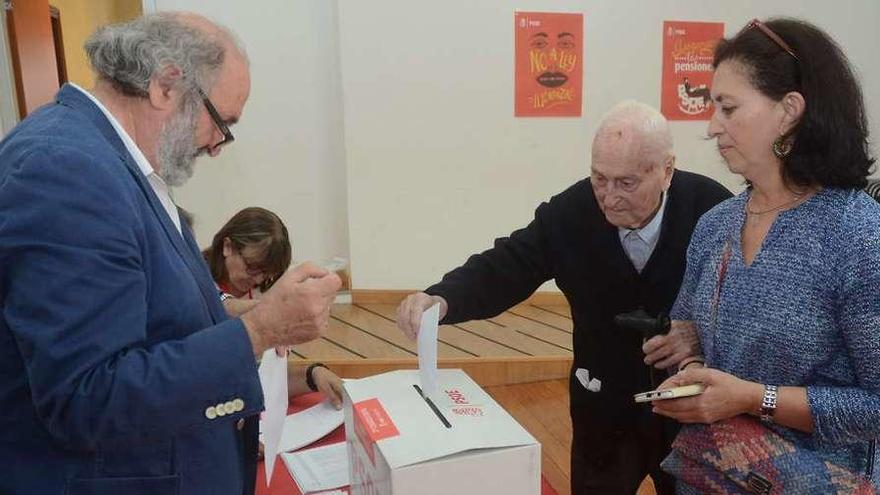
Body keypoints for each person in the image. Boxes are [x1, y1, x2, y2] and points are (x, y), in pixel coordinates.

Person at [0, 13, 341, 495]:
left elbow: (153, 321)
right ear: (164, 85)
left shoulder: (110, 161)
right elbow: (89, 398)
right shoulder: (66, 171)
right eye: (222, 123)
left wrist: (242, 314)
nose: (218, 146)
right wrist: (260, 331)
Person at [396, 100, 732, 494]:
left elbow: (755, 304)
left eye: (626, 183)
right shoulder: (570, 214)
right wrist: (443, 298)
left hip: (691, 412)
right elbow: (508, 264)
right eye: (599, 178)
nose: (609, 197)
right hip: (602, 407)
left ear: (666, 171)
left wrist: (699, 332)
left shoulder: (713, 211)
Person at [650, 18, 880, 491]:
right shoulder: (715, 225)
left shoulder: (856, 233)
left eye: (728, 108)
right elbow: (689, 339)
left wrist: (753, 398)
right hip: (712, 476)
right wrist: (691, 375)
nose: (711, 126)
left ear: (789, 111)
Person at [204, 206, 344, 408]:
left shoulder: (263, 288)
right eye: (252, 267)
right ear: (228, 246)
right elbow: (220, 305)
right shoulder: (196, 279)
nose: (258, 278)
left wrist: (313, 374)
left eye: (267, 273)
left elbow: (264, 378)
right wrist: (276, 311)